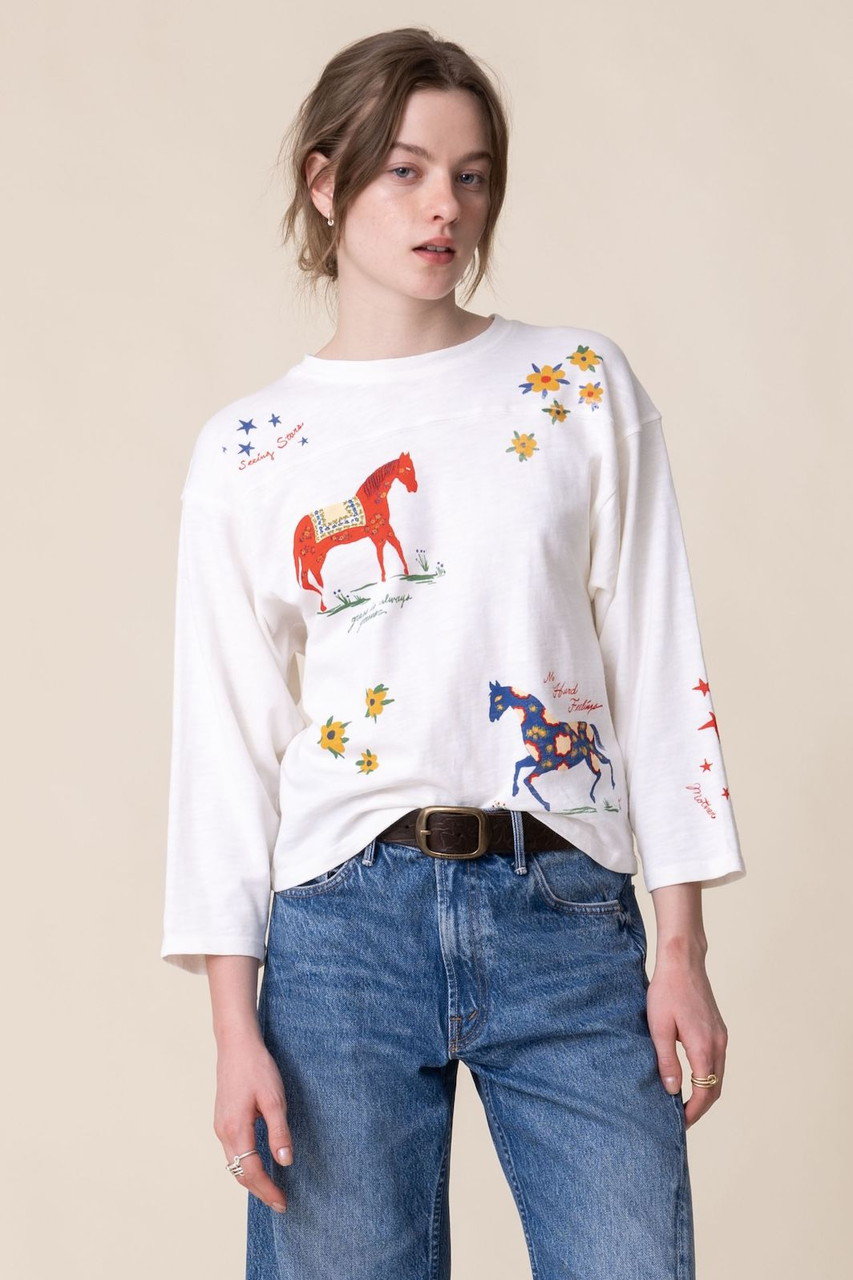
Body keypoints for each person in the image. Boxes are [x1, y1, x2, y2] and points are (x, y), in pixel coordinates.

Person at [160, 26, 746, 1280]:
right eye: (407, 171)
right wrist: (231, 1024)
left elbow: (657, 664)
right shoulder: (251, 448)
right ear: (326, 183)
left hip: (565, 908)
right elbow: (225, 742)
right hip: (339, 933)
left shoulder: (575, 385)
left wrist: (681, 947)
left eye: (471, 176)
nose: (446, 207)